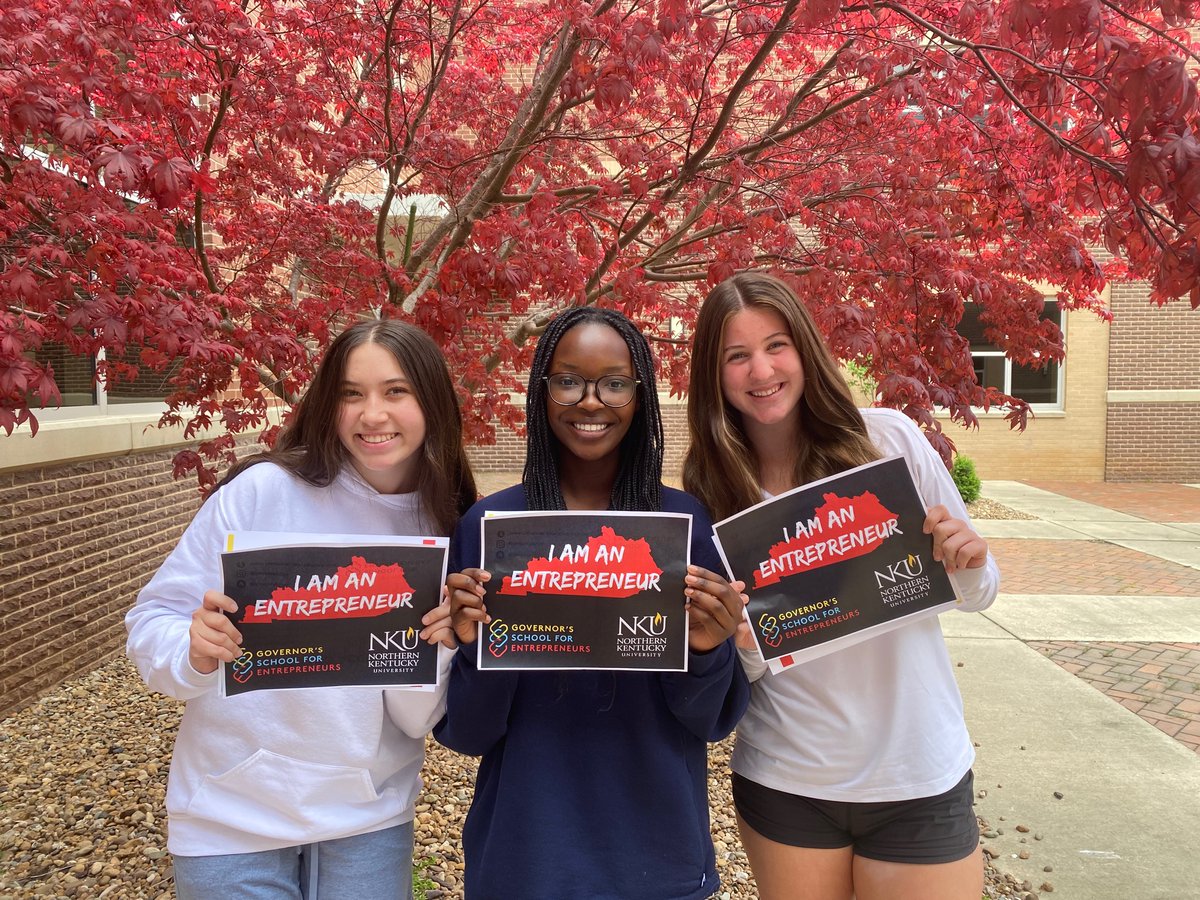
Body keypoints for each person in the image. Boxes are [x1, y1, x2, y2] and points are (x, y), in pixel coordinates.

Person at [125, 319, 476, 900]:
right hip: (229, 815)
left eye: (396, 391)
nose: (372, 414)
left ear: (432, 399)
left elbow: (416, 718)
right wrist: (192, 652)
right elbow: (152, 619)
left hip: (369, 816)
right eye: (350, 393)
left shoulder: (448, 520)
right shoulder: (262, 491)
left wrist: (439, 647)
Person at [683, 272, 1000, 900]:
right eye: (736, 356)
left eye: (776, 345)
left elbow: (976, 591)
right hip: (788, 777)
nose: (761, 369)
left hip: (919, 770)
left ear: (805, 348)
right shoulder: (708, 490)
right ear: (713, 376)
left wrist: (970, 563)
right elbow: (743, 668)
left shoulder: (887, 439)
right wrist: (738, 639)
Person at [435, 306, 751, 900]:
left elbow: (712, 723)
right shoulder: (489, 529)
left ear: (641, 394)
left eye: (613, 381)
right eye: (567, 379)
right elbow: (469, 734)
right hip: (525, 854)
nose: (589, 400)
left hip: (658, 855)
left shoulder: (684, 524)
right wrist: (476, 648)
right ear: (542, 390)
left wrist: (708, 652)